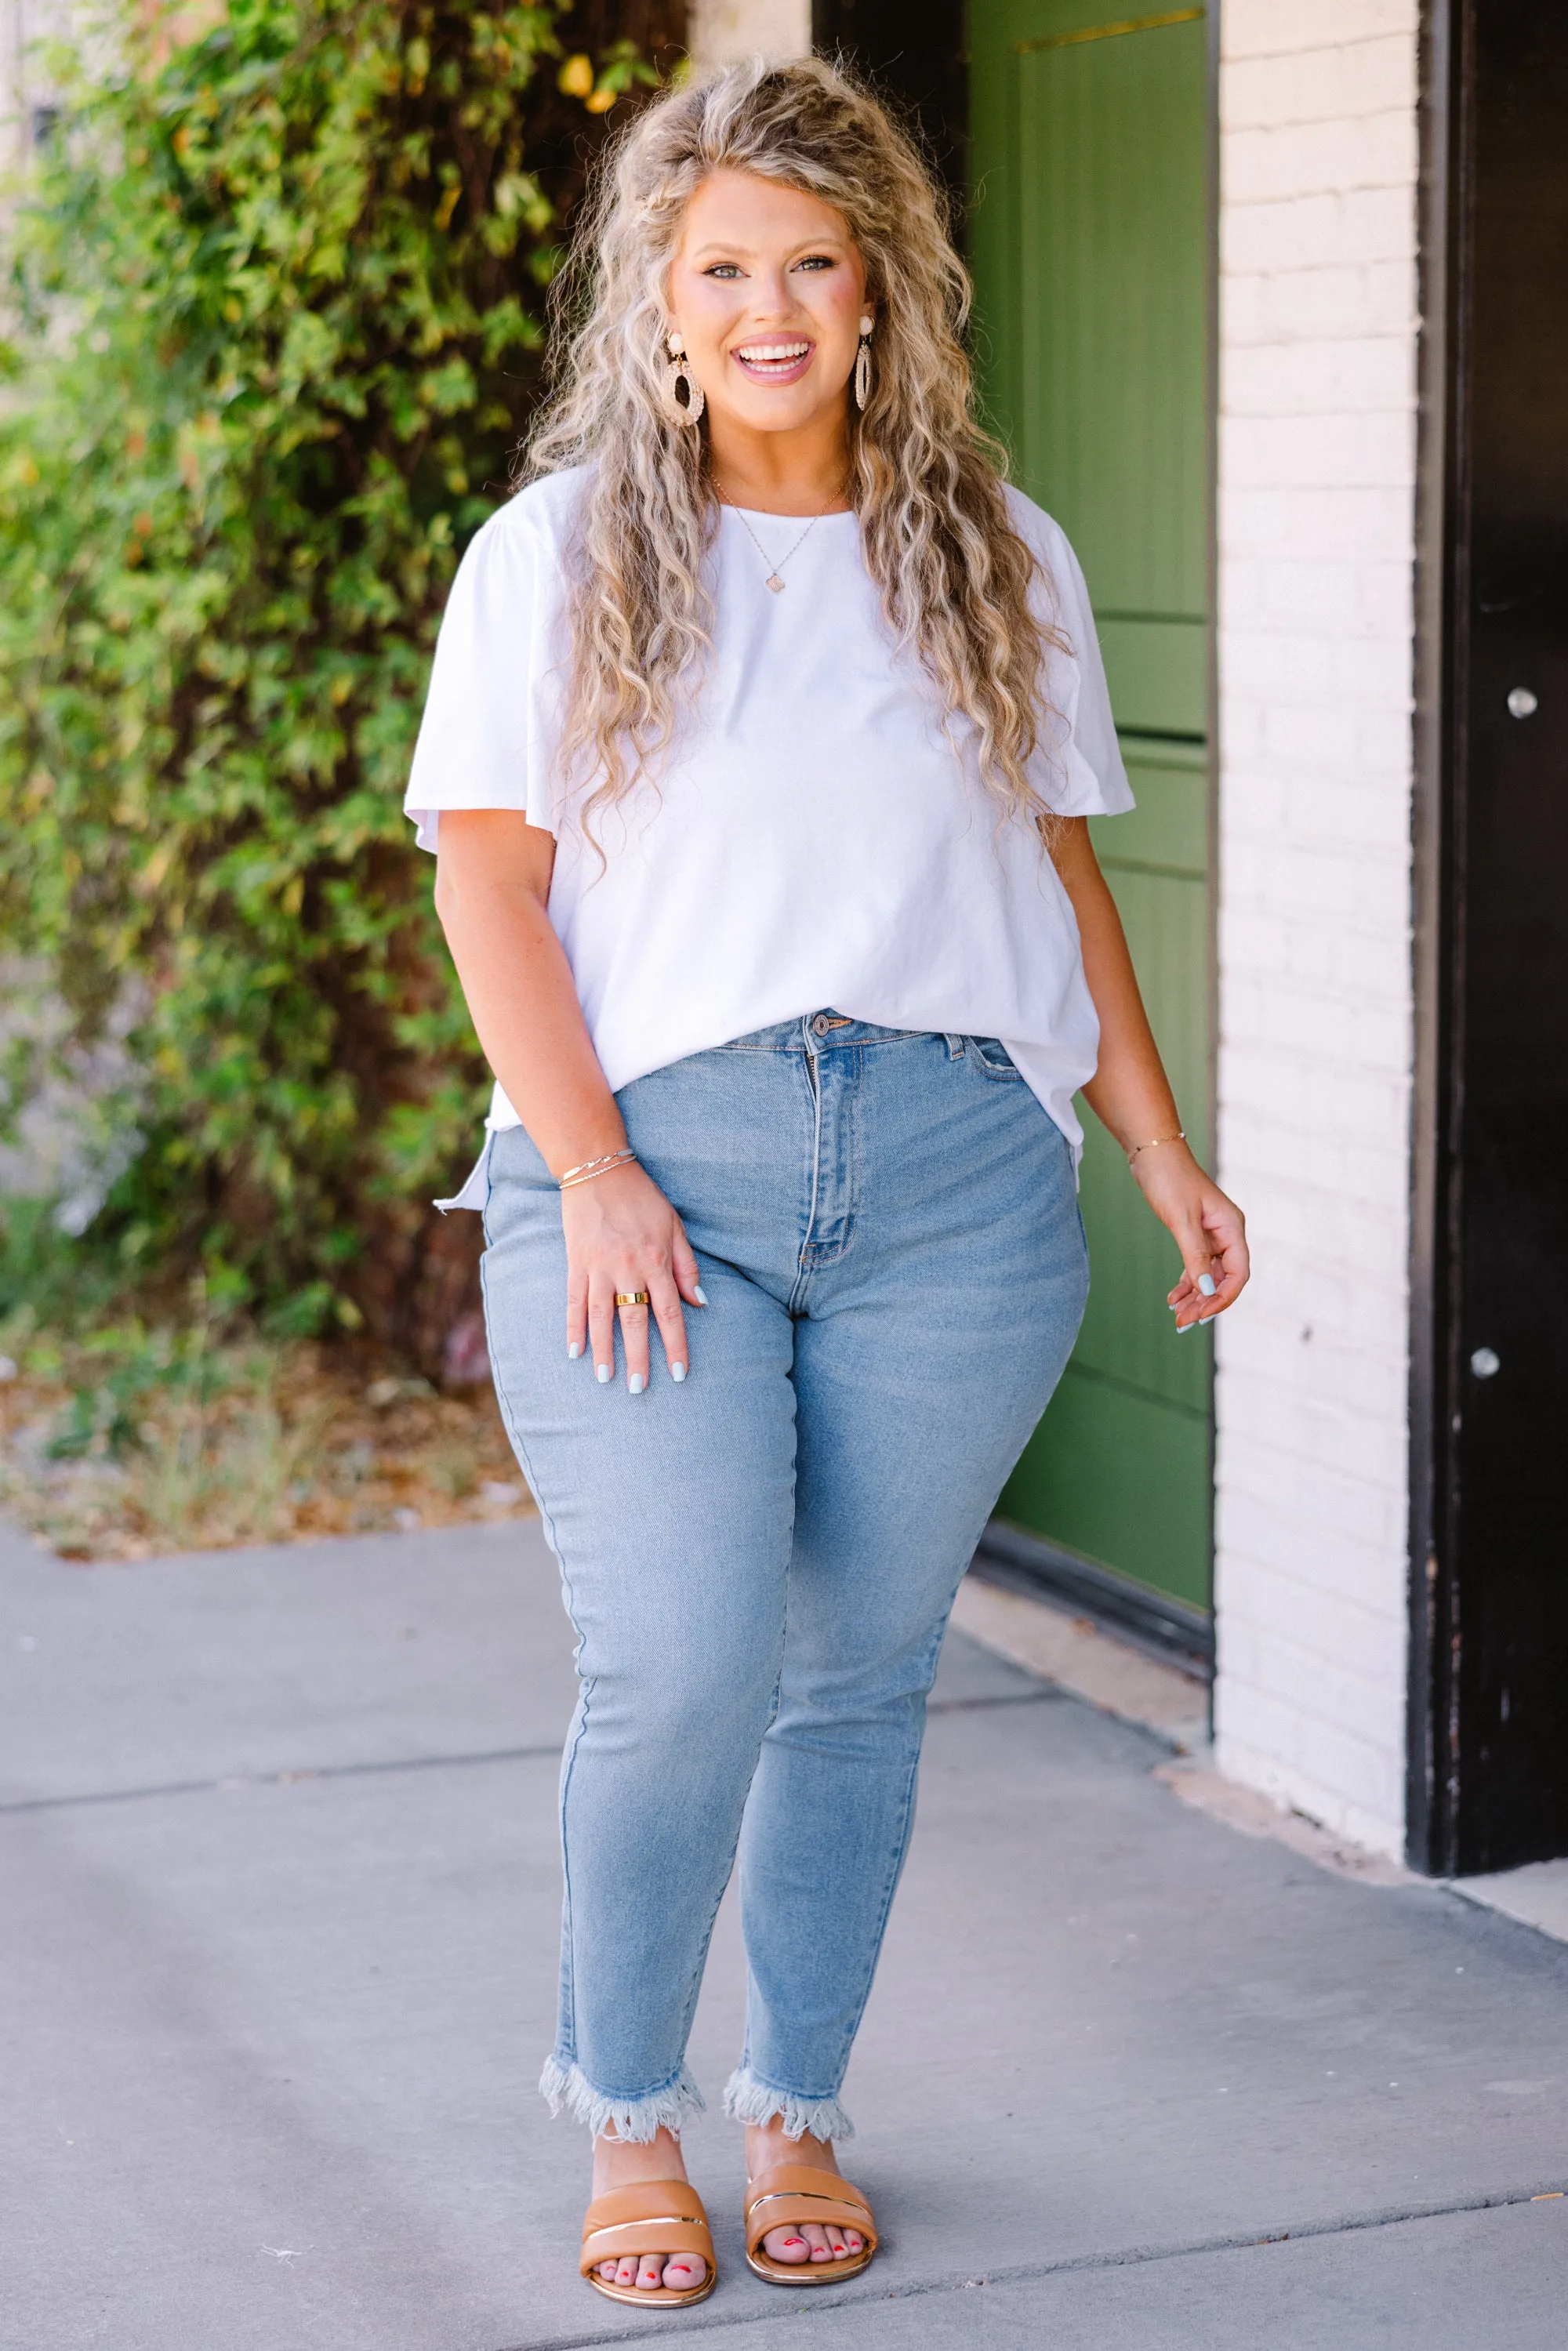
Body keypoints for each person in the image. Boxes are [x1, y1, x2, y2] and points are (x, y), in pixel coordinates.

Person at [405, 55, 1248, 2312]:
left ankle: (795, 2105)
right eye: (722, 271)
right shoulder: (561, 552)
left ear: (879, 288)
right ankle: (624, 2113)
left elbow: (1055, 874)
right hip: (647, 1171)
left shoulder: (995, 546)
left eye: (809, 261)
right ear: (659, 306)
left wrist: (1157, 1147)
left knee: (857, 1675)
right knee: (678, 1661)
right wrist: (585, 1169)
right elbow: (489, 889)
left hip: (965, 1180)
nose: (769, 306)